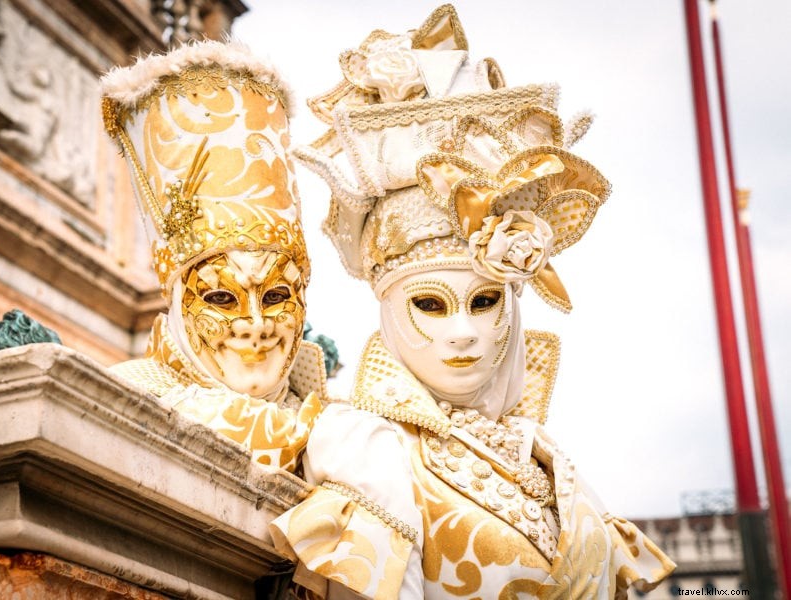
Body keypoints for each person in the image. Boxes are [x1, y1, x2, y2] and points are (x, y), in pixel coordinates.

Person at [270, 4, 675, 597]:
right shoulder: (365, 449)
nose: (462, 333)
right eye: (430, 305)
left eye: (485, 302)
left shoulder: (547, 460)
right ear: (387, 307)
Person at [100, 40, 325, 472]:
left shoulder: (342, 433)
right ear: (180, 306)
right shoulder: (122, 403)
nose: (255, 326)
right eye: (221, 298)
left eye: (277, 296)